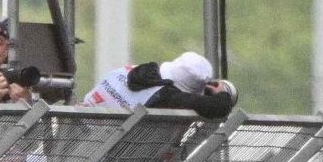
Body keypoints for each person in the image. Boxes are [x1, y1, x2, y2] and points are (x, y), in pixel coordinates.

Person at [82, 51, 238, 119]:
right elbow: (219, 106)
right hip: (104, 160)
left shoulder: (129, 70)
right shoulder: (166, 97)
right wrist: (222, 93)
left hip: (74, 133)